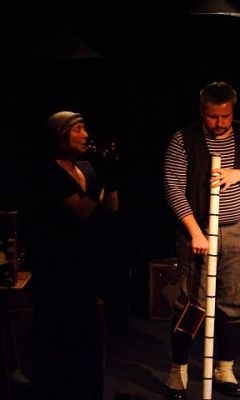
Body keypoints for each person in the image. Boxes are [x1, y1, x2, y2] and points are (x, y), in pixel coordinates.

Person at [163, 81, 240, 398]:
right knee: (191, 302)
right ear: (202, 111)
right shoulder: (184, 139)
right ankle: (178, 371)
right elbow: (173, 187)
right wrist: (196, 233)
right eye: (213, 117)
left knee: (235, 301)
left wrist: (239, 174)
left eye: (226, 116)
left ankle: (224, 369)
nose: (220, 123)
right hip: (197, 229)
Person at [20, 111, 119, 400]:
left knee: (86, 331)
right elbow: (80, 212)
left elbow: (111, 206)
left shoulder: (85, 168)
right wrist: (100, 184)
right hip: (58, 266)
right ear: (59, 137)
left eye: (84, 128)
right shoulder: (48, 172)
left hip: (85, 263)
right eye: (77, 130)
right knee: (60, 329)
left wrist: (110, 179)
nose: (85, 135)